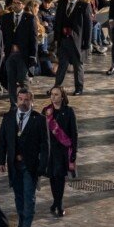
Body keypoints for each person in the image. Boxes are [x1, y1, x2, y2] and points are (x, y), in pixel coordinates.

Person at [0, 87, 48, 227]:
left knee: (29, 197)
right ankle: (20, 224)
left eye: (26, 100)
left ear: (31, 101)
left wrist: (42, 167)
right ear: (16, 100)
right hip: (14, 165)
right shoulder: (8, 117)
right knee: (18, 196)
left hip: (30, 166)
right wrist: (0, 161)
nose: (23, 102)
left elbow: (45, 146)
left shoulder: (39, 119)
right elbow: (2, 141)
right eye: (20, 99)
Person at [43, 86, 77, 217]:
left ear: (62, 96)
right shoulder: (46, 111)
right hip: (50, 150)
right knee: (52, 176)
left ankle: (59, 202)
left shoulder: (69, 112)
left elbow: (74, 133)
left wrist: (74, 152)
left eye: (56, 94)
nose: (53, 97)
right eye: (52, 94)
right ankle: (56, 201)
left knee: (60, 177)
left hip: (63, 150)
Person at [53, 0, 91, 95]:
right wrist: (56, 38)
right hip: (63, 40)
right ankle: (56, 86)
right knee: (62, 65)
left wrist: (87, 43)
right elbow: (57, 21)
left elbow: (88, 26)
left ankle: (79, 87)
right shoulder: (62, 3)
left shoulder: (84, 6)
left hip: (77, 41)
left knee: (78, 65)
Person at [0, 0, 36, 102]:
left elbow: (33, 39)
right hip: (10, 54)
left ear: (23, 5)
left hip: (23, 54)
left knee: (23, 80)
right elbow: (2, 37)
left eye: (17, 3)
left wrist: (33, 56)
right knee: (11, 80)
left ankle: (27, 102)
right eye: (13, 3)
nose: (14, 5)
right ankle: (14, 104)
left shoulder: (29, 18)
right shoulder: (6, 18)